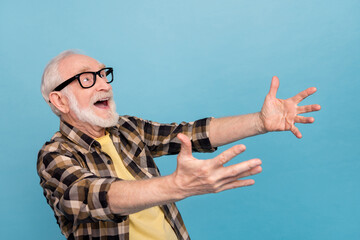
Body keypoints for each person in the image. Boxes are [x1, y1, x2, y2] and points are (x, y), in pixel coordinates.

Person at [37, 50, 321, 240]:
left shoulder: (126, 128)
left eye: (103, 74)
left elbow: (191, 133)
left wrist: (260, 122)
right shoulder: (54, 156)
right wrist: (177, 186)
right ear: (59, 100)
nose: (104, 85)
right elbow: (98, 196)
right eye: (88, 79)